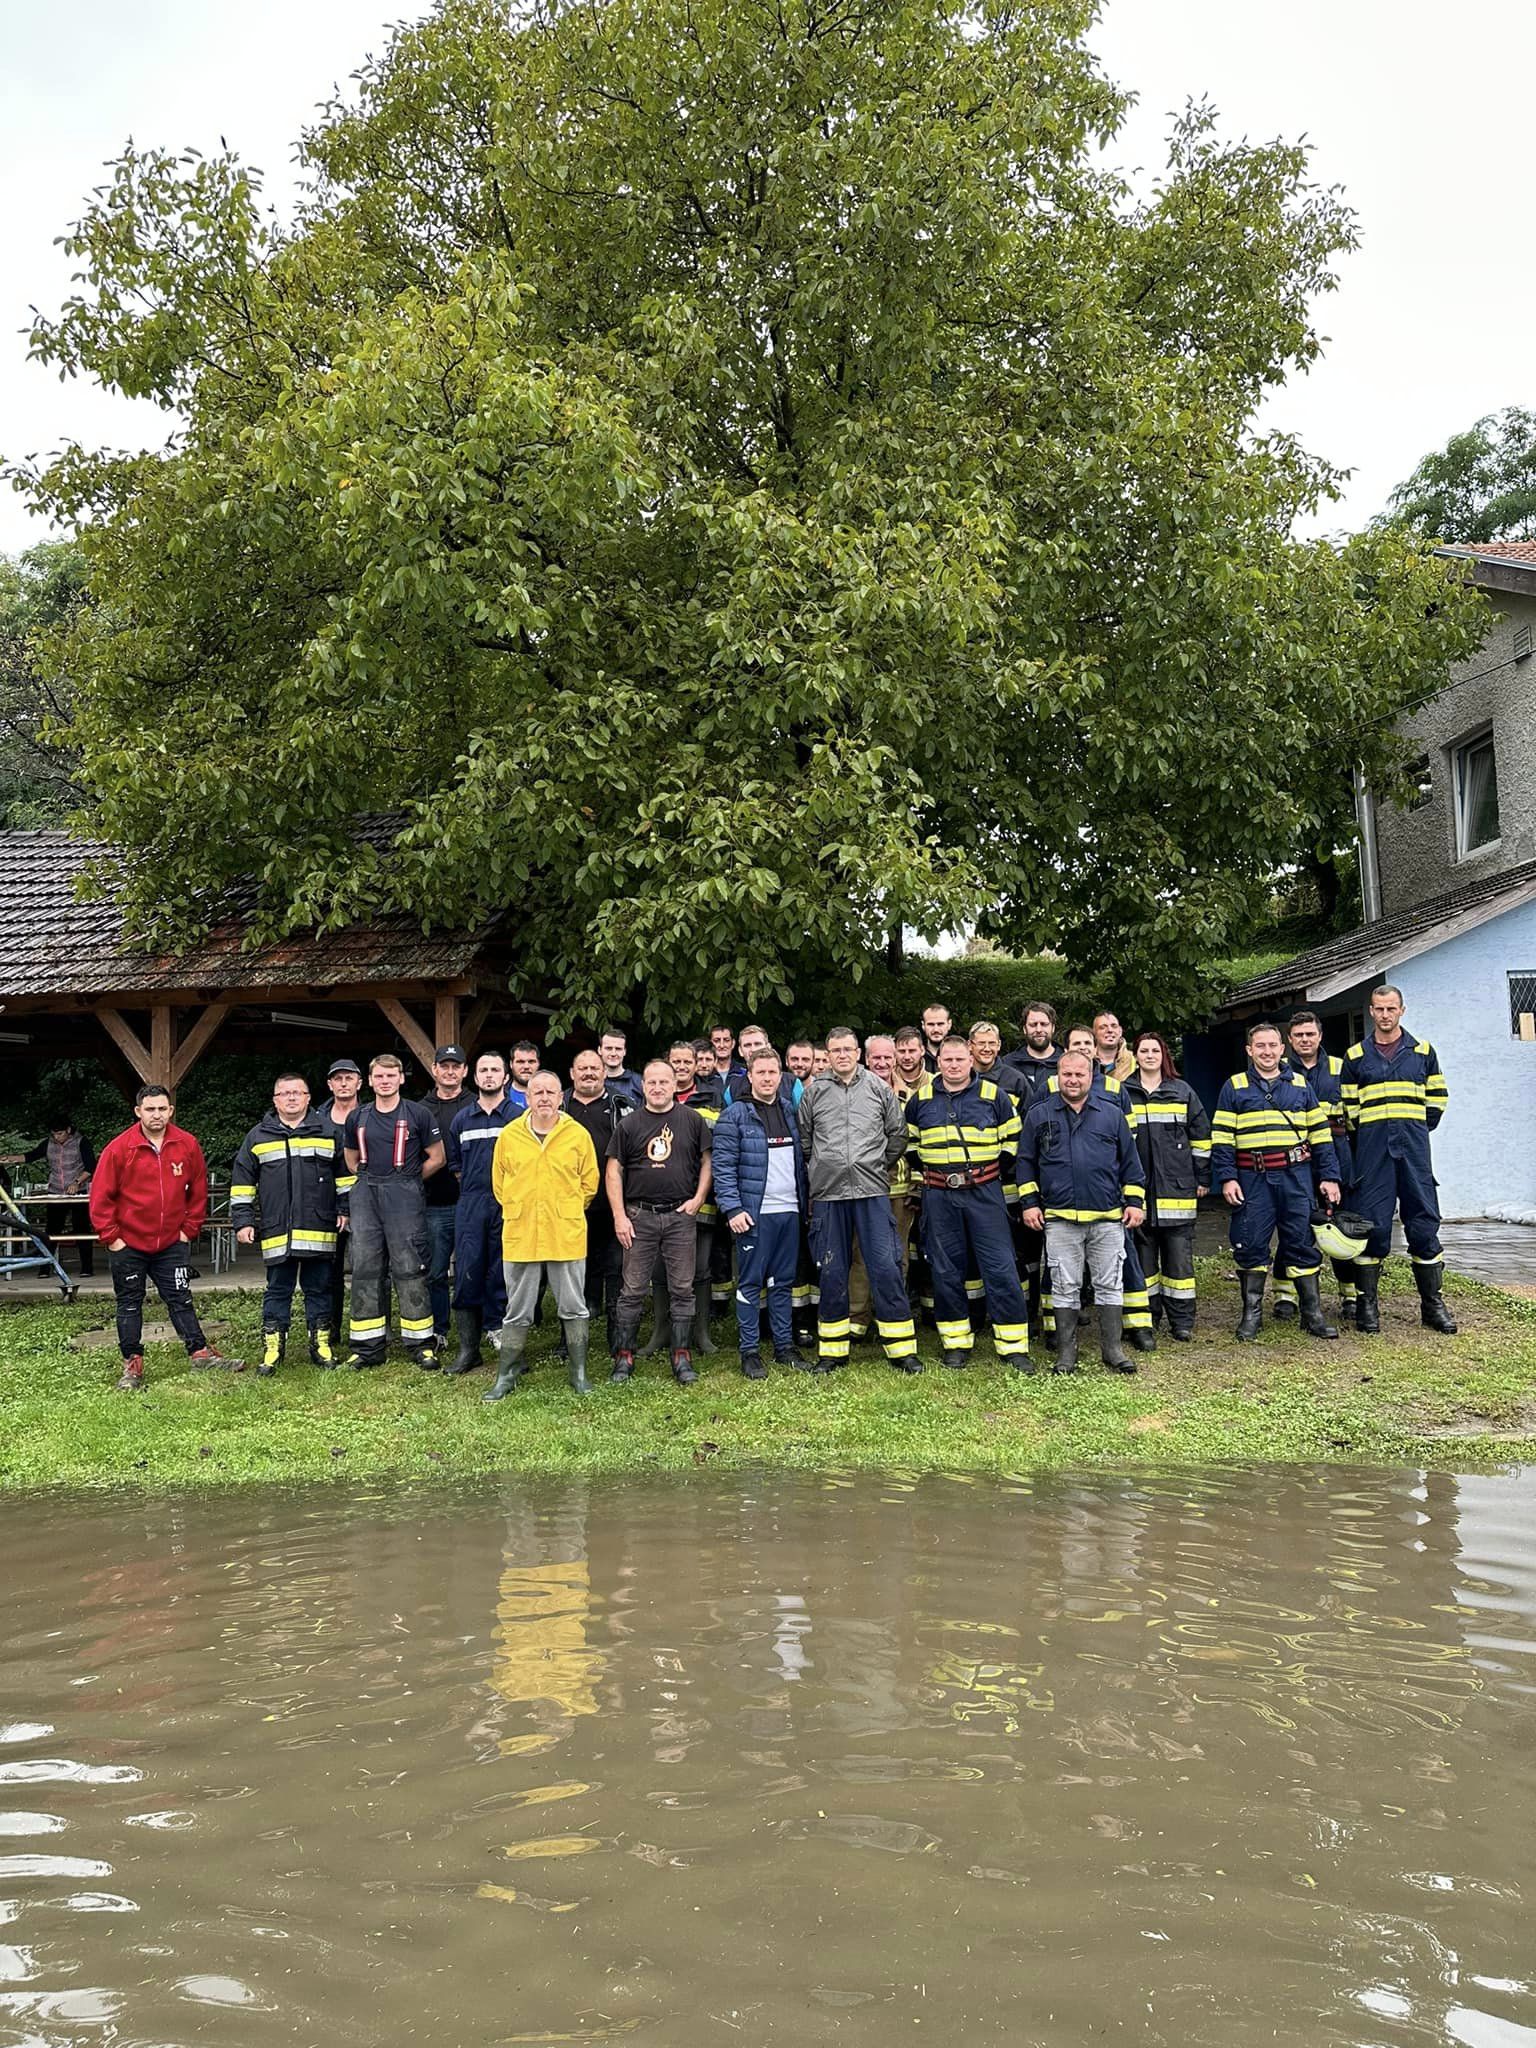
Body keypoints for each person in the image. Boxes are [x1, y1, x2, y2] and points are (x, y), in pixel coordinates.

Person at [89, 1084, 238, 1390]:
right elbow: (100, 1197)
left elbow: (198, 1191)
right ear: (138, 1112)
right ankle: (132, 1365)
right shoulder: (119, 1149)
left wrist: (188, 1230)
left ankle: (200, 1354)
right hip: (128, 1243)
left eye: (162, 1109)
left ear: (171, 1110)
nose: (156, 1115)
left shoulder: (187, 1144)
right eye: (150, 1109)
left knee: (180, 1299)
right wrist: (112, 1237)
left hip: (171, 1242)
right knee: (129, 1304)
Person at [1211, 1021, 1342, 1343]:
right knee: (1251, 1243)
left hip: (1295, 1177)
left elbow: (1321, 1137)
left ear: (1282, 1048)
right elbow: (1222, 1139)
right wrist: (1227, 1178)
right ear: (1249, 1050)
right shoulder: (1235, 1086)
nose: (1267, 1052)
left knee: (1300, 1242)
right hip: (1251, 1178)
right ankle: (1251, 1316)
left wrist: (1329, 1177)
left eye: (1272, 1045)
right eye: (1260, 1046)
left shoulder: (1299, 1085)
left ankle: (1312, 1314)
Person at [905, 1037, 1032, 1369]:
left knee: (1000, 1266)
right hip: (939, 1196)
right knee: (946, 1269)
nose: (953, 1065)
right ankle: (956, 1343)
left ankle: (1013, 1345)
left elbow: (1014, 1141)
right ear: (938, 1061)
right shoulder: (921, 1100)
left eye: (960, 1059)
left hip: (984, 1193)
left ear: (971, 1059)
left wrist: (986, 1174)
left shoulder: (994, 1096)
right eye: (947, 1059)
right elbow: (910, 1146)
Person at [798, 1028, 919, 1371]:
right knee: (832, 1269)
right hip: (829, 1194)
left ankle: (901, 1350)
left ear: (858, 1053)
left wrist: (875, 1165)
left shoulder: (879, 1089)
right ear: (829, 1054)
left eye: (848, 1049)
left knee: (885, 1266)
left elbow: (897, 1135)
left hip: (871, 1192)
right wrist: (825, 1167)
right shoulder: (814, 1092)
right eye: (835, 1050)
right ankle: (832, 1352)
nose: (842, 1055)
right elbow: (806, 1141)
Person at [1017, 1051, 1144, 1374]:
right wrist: (1030, 1204)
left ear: (1092, 1076)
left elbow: (1131, 1163)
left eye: (1079, 1075)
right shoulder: (1039, 1115)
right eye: (1067, 1074)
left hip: (1107, 1218)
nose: (1073, 1080)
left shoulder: (1112, 1114)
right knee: (1064, 1285)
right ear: (1057, 1076)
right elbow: (1025, 1163)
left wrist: (1134, 1202)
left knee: (1110, 1284)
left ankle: (1112, 1350)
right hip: (1059, 1219)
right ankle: (1066, 1354)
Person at [1341, 986, 1456, 1335]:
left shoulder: (1422, 1052)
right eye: (1379, 1009)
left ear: (1402, 1010)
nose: (1385, 1015)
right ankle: (1368, 1307)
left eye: (1391, 1008)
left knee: (1423, 1223)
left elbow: (1437, 1101)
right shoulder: (1356, 1056)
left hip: (1414, 1155)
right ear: (1371, 1012)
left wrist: (1413, 1129)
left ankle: (1432, 1305)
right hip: (1373, 1158)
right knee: (1372, 1227)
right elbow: (1350, 1112)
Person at [482, 1070, 600, 1399]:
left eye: (551, 1091)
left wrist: (566, 1207)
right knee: (517, 1308)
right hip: (522, 1233)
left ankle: (578, 1373)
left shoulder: (578, 1135)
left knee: (574, 1306)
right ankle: (506, 1375)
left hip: (566, 1233)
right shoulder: (509, 1136)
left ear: (561, 1097)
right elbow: (499, 1185)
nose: (545, 1097)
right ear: (527, 1098)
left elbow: (589, 1184)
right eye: (538, 1092)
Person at [607, 1060, 713, 1384]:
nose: (657, 1087)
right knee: (633, 1289)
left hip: (680, 1217)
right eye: (651, 1082)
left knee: (683, 1287)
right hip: (639, 1217)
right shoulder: (629, 1124)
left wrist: (698, 1199)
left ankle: (681, 1356)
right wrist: (619, 1217)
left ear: (674, 1084)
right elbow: (613, 1171)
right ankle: (624, 1356)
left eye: (663, 1082)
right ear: (643, 1086)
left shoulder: (692, 1120)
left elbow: (708, 1161)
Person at [230, 1073, 341, 1372]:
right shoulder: (257, 1136)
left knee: (319, 1289)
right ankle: (273, 1349)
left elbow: (345, 1177)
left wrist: (346, 1210)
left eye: (297, 1092)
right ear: (275, 1100)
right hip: (277, 1230)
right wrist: (242, 1221)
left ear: (308, 1097)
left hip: (319, 1228)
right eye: (284, 1093)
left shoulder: (328, 1132)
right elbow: (242, 1183)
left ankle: (321, 1345)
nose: (291, 1098)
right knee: (277, 1290)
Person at [712, 1047, 811, 1377]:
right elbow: (722, 1168)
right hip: (754, 1215)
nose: (768, 1078)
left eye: (773, 1073)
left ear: (781, 1076)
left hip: (790, 1211)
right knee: (751, 1283)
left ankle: (784, 1347)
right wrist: (733, 1208)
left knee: (783, 1282)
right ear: (750, 1076)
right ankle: (750, 1351)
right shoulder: (735, 1115)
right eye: (761, 1073)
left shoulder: (788, 1109)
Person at [342, 1054, 445, 1369]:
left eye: (391, 1076)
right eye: (379, 1076)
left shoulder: (419, 1114)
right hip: (365, 1194)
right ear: (370, 1081)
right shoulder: (356, 1117)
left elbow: (437, 1157)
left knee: (410, 1267)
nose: (384, 1081)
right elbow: (350, 1158)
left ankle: (421, 1344)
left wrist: (409, 1181)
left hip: (405, 1194)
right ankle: (367, 1347)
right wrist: (370, 1182)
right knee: (364, 1268)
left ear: (401, 1078)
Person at [1124, 1031, 1210, 1342]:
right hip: (1140, 1194)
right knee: (1143, 1263)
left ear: (1164, 1056)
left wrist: (1202, 1179)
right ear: (1135, 1055)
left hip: (1178, 1191)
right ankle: (1147, 1320)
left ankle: (1182, 1322)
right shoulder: (1124, 1092)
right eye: (1143, 1050)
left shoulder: (1182, 1091)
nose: (1149, 1055)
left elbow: (1201, 1139)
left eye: (1155, 1051)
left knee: (1179, 1265)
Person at [1281, 1009, 1357, 1324]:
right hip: (1295, 1159)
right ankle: (1286, 1294)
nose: (1305, 1040)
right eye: (1298, 1035)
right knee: (1293, 1225)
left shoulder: (1341, 1068)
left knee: (1340, 1225)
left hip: (1336, 1155)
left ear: (1320, 1036)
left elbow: (1356, 1117)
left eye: (1310, 1034)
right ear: (1290, 1039)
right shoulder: (1279, 1070)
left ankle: (1350, 1294)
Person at [444, 1051, 517, 1375]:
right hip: (471, 1203)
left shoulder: (518, 1117)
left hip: (509, 1203)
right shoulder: (462, 1119)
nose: (489, 1075)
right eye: (483, 1070)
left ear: (506, 1077)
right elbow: (456, 1166)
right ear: (475, 1077)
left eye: (495, 1070)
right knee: (468, 1270)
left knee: (504, 1272)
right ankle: (468, 1348)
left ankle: (505, 1341)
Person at [563, 1050, 632, 1352]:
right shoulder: (559, 1106)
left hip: (614, 1205)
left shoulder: (623, 1105)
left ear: (605, 1072)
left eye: (594, 1068)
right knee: (572, 1275)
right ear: (572, 1073)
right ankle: (571, 1339)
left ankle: (617, 1339)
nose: (589, 1073)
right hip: (569, 1207)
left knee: (616, 1272)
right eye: (582, 1068)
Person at [418, 1043, 471, 1348]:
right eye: (445, 1066)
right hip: (433, 1202)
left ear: (464, 1071)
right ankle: (439, 1329)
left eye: (456, 1066)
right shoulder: (419, 1109)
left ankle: (473, 1330)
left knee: (469, 1270)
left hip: (470, 1203)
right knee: (436, 1272)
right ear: (435, 1070)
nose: (450, 1071)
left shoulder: (477, 1105)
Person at [0, 1116, 96, 1276]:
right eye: (54, 1134)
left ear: (68, 1130)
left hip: (78, 1192)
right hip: (55, 1191)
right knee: (51, 1230)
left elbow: (91, 1166)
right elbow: (30, 1156)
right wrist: (9, 1158)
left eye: (60, 1134)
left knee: (81, 1228)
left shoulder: (81, 1142)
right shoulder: (49, 1143)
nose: (57, 1137)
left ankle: (87, 1267)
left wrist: (77, 1182)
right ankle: (45, 1267)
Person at [318, 1058, 360, 1344]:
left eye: (349, 1078)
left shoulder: (373, 1114)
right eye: (338, 1078)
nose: (343, 1083)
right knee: (328, 1275)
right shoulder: (315, 1120)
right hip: (327, 1208)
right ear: (330, 1084)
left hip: (367, 1204)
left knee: (369, 1271)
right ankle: (329, 1330)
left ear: (359, 1082)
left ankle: (370, 1330)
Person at [1006, 1002, 1061, 1109]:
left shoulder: (1067, 1063)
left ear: (1053, 1027)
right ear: (1024, 1029)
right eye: (1033, 1025)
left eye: (1044, 1024)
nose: (1039, 1030)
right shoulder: (1008, 1064)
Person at [598, 1029, 644, 1108]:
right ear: (599, 1050)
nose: (613, 1053)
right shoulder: (593, 1081)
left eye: (618, 1049)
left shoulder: (639, 1082)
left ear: (624, 1052)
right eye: (608, 1048)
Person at [1091, 1011, 1136, 1084]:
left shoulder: (1134, 1060)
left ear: (1120, 1031)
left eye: (1114, 1026)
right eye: (1102, 1027)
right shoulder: (1086, 1060)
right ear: (1094, 1033)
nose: (1110, 1030)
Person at [710, 1025, 747, 1096]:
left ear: (733, 1044)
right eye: (716, 1041)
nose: (721, 1045)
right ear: (710, 1044)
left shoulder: (745, 1071)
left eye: (726, 1040)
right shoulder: (705, 1072)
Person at [507, 1041, 541, 1113]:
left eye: (531, 1062)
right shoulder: (499, 1095)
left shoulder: (551, 1094)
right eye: (520, 1062)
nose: (526, 1067)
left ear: (538, 1064)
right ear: (511, 1064)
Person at [920, 1003, 953, 1072]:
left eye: (940, 1024)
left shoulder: (960, 1054)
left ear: (949, 1024)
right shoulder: (916, 1054)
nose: (936, 1029)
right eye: (931, 1024)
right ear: (923, 1025)